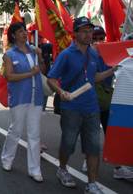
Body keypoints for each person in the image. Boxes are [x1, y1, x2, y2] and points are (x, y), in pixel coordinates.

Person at [47, 17, 117, 194]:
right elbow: (51, 78)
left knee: (93, 147)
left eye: (90, 31)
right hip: (71, 108)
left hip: (92, 108)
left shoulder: (94, 54)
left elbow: (94, 78)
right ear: (75, 33)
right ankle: (62, 169)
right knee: (68, 143)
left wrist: (112, 70)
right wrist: (60, 91)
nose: (89, 34)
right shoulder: (66, 55)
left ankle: (92, 183)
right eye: (84, 31)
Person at [0, 22, 46, 182]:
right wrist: (29, 74)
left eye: (24, 31)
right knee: (16, 130)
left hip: (36, 97)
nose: (24, 34)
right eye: (20, 31)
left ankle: (35, 169)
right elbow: (9, 76)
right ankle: (7, 159)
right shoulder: (9, 54)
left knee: (34, 134)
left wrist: (40, 56)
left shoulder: (34, 51)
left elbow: (43, 70)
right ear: (13, 35)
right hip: (19, 97)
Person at [91, 26, 133, 181]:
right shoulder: (88, 54)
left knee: (111, 131)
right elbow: (94, 77)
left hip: (107, 98)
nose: (98, 41)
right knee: (91, 132)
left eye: (101, 38)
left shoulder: (110, 51)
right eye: (95, 38)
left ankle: (118, 166)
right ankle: (88, 159)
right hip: (91, 99)